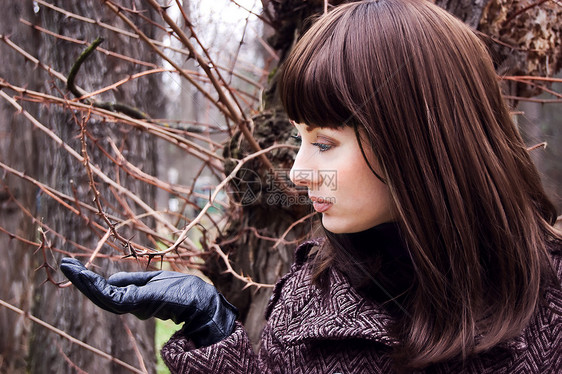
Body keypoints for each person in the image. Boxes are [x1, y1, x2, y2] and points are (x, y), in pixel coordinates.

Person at [61, 0, 562, 373]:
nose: (298, 173)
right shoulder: (310, 298)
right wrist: (210, 324)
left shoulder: (548, 304)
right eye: (300, 138)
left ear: (416, 141)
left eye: (324, 142)